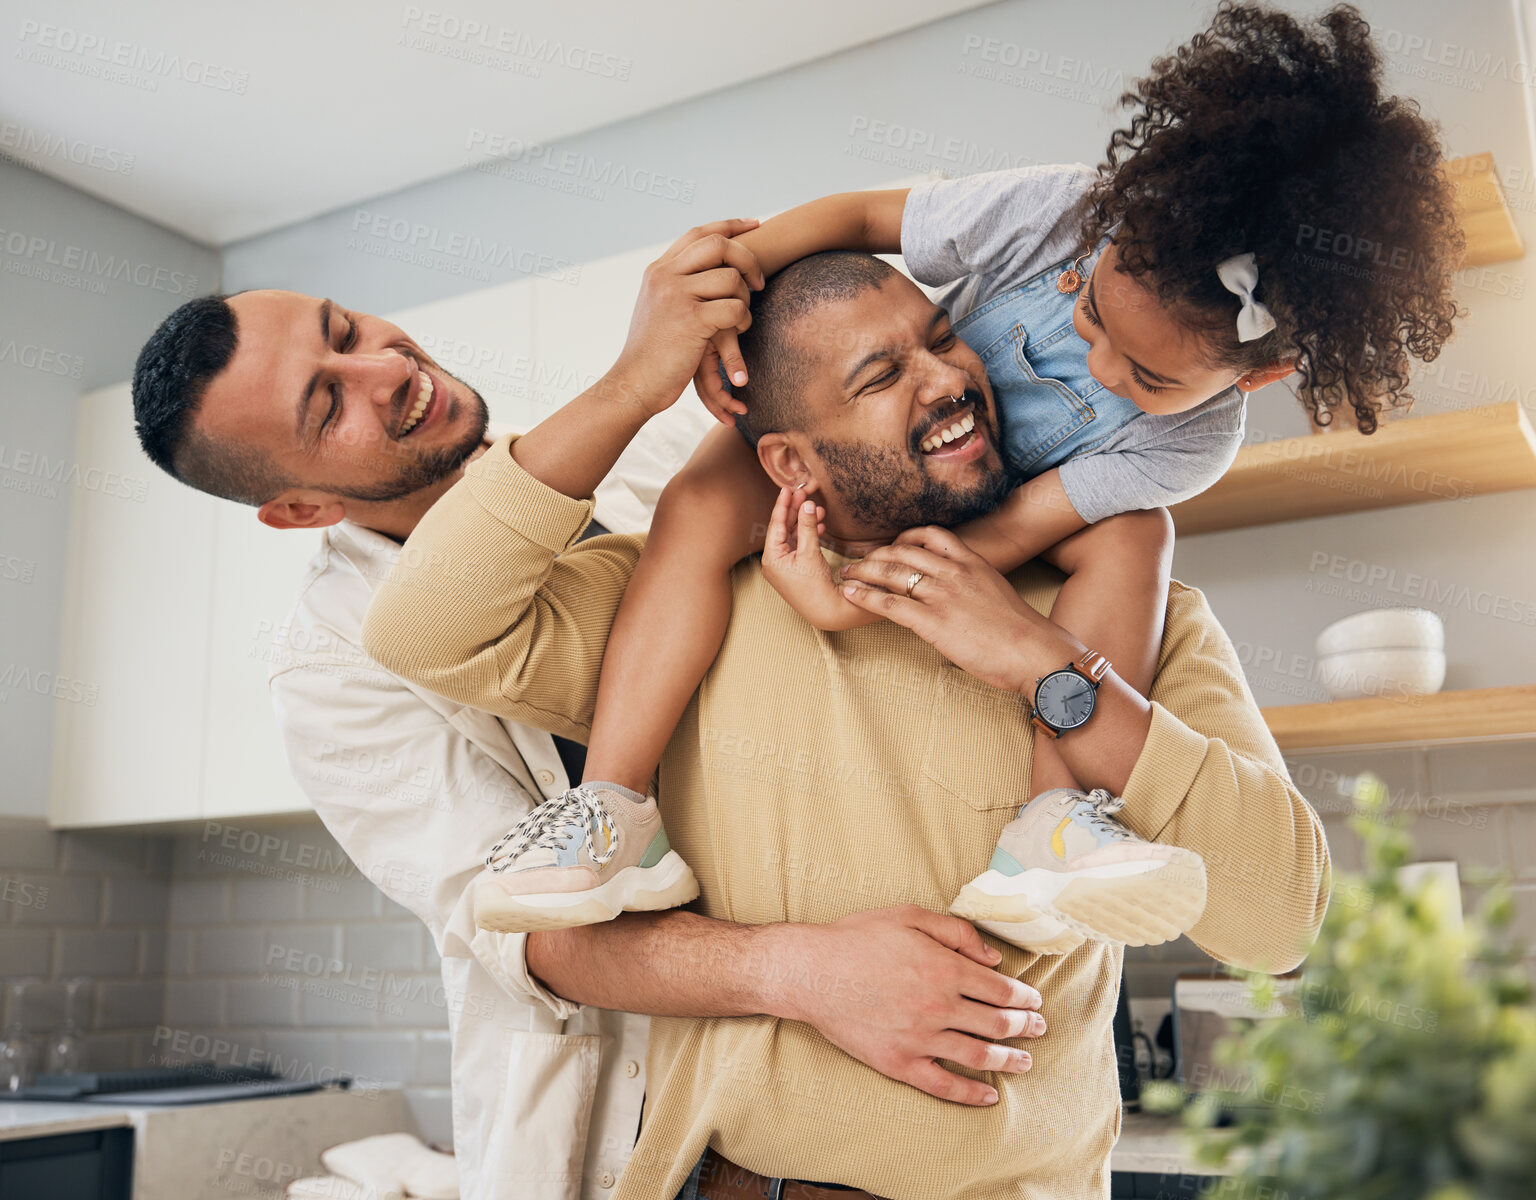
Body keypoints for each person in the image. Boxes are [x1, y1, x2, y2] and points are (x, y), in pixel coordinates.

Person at [479, 1, 1459, 958]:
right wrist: (733, 280)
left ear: (1260, 373)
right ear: (1116, 222)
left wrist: (856, 600)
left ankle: (1053, 823)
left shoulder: (1193, 448)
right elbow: (862, 215)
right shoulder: (1059, 210)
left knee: (1136, 537)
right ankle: (613, 808)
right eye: (1093, 318)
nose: (1106, 369)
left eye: (1149, 378)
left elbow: (1018, 529)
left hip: (993, 516)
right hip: (876, 495)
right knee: (696, 500)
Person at [359, 244, 1332, 1198]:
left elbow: (1280, 922)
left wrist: (1043, 666)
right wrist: (632, 386)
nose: (952, 378)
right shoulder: (691, 606)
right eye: (882, 376)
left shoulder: (1125, 613)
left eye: (947, 340)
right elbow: (425, 626)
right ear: (788, 460)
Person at [131, 223, 1045, 1198]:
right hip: (662, 1145)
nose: (384, 367)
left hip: (888, 1096)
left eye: (346, 328)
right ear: (302, 509)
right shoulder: (332, 670)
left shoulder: (658, 455)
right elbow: (537, 938)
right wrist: (808, 972)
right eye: (328, 402)